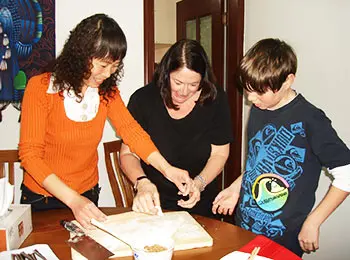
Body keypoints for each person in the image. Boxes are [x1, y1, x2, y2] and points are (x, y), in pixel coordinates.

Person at [18, 14, 192, 229]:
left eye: (114, 67)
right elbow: (30, 156)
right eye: (102, 66)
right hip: (43, 198)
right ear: (80, 55)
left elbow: (132, 132)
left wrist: (168, 170)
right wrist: (73, 200)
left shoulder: (106, 92)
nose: (108, 74)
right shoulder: (41, 88)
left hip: (87, 194)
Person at [212, 38, 350, 256]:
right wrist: (235, 189)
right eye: (248, 90)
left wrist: (313, 222)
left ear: (287, 81)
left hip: (284, 236)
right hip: (245, 226)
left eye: (259, 92)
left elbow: (347, 173)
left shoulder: (311, 119)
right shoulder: (259, 108)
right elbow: (257, 163)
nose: (250, 98)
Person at [119, 39, 233, 218]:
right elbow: (128, 154)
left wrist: (199, 183)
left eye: (193, 85)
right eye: (178, 82)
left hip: (200, 200)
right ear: (166, 74)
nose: (184, 92)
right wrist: (142, 183)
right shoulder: (144, 100)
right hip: (153, 201)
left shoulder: (215, 100)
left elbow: (220, 153)